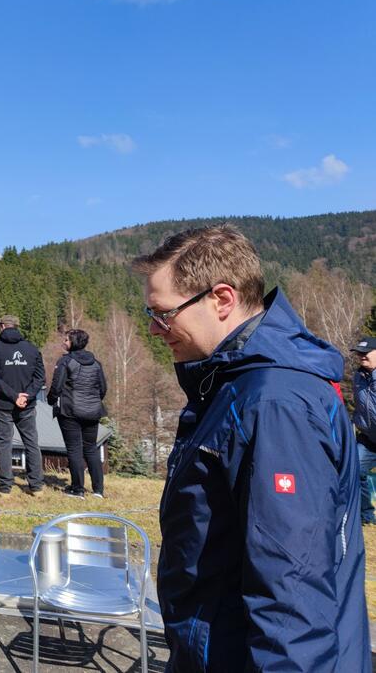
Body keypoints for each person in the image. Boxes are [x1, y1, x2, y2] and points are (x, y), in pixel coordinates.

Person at [132, 224, 369, 671]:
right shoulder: (233, 387)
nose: (153, 329)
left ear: (222, 299)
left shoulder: (274, 402)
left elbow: (291, 592)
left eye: (163, 313)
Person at [0, 314, 45, 496]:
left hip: (3, 404)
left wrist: (13, 396)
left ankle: (5, 488)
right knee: (31, 443)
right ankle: (36, 486)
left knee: (4, 444)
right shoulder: (31, 348)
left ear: (2, 326)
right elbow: (40, 377)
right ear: (16, 327)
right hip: (27, 404)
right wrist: (26, 396)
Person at [46, 328, 107, 498]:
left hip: (70, 412)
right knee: (91, 449)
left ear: (73, 343)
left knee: (74, 449)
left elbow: (56, 387)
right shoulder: (96, 363)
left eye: (66, 340)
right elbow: (103, 388)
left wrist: (50, 401)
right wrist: (93, 401)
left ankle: (77, 489)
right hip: (93, 411)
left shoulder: (65, 362)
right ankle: (98, 490)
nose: (63, 342)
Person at [351, 336, 376, 525]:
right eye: (359, 353)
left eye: (365, 353)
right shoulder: (358, 377)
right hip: (368, 438)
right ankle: (366, 516)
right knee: (356, 469)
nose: (361, 357)